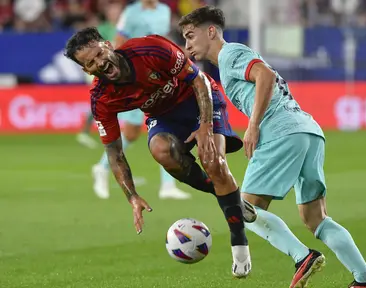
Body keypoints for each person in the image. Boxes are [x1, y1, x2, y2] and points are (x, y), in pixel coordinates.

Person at [178, 6, 366, 288]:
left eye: (190, 35)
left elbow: (265, 75)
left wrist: (254, 124)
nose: (187, 44)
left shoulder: (230, 53)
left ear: (211, 31)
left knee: (243, 207)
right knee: (316, 218)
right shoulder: (227, 62)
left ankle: (303, 257)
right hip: (307, 131)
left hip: (280, 132)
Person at [64, 27, 255, 277]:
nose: (100, 63)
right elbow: (114, 152)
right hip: (164, 115)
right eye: (91, 63)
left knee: (213, 161)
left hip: (199, 99)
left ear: (108, 45)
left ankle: (239, 245)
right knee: (160, 150)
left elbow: (197, 80)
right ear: (86, 70)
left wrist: (205, 126)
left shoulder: (150, 49)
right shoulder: (102, 98)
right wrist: (131, 196)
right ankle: (231, 198)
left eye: (99, 54)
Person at [85, 0, 190, 200]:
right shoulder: (130, 14)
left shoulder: (165, 11)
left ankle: (168, 185)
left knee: (167, 120)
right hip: (134, 78)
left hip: (157, 71)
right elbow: (117, 43)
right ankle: (102, 166)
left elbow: (162, 38)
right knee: (132, 133)